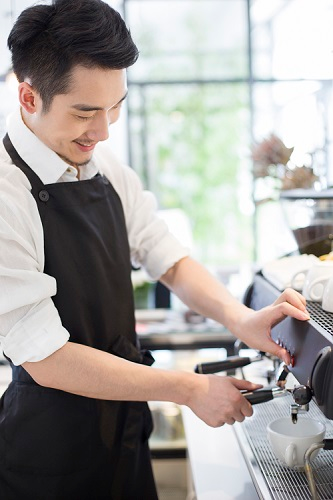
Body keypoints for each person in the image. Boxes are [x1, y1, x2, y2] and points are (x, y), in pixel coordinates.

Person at [0, 0, 310, 498]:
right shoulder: (5, 194)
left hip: (125, 438)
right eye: (85, 112)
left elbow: (167, 257)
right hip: (48, 459)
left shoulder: (107, 170)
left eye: (115, 107)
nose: (103, 131)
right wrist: (188, 389)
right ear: (30, 98)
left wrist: (238, 317)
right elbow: (47, 356)